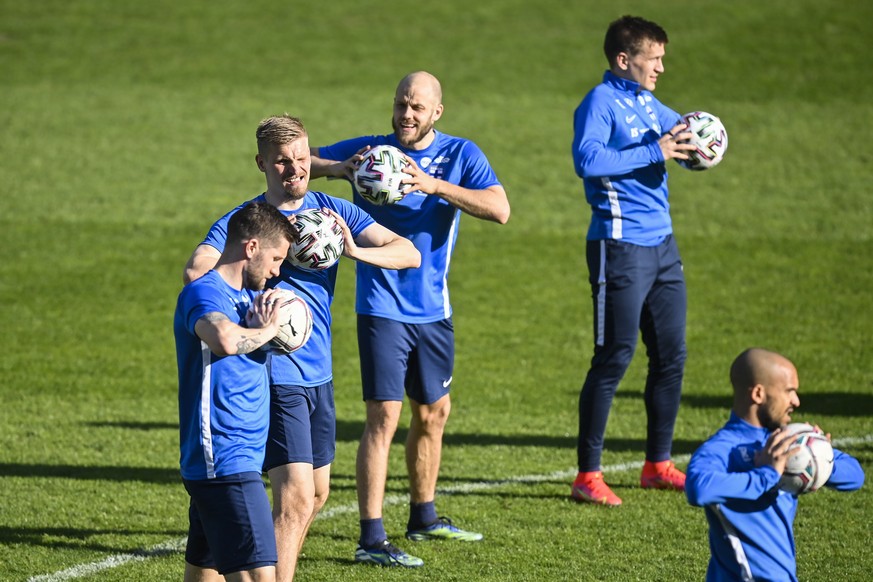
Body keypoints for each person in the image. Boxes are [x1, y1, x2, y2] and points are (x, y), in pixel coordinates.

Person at [183, 115, 420, 582]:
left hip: (320, 374)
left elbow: (407, 252)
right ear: (262, 165)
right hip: (275, 372)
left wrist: (353, 251)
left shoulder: (333, 213)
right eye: (281, 163)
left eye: (300, 159)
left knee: (315, 494)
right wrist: (255, 299)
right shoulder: (251, 221)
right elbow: (198, 268)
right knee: (292, 499)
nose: (294, 171)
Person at [309, 70, 510, 568]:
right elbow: (299, 163)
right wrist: (340, 168)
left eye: (417, 107)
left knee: (434, 413)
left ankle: (423, 516)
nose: (406, 115)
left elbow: (500, 209)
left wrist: (435, 185)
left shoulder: (461, 154)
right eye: (401, 104)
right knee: (384, 417)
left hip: (434, 309)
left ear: (436, 112)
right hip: (381, 306)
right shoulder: (371, 149)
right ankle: (370, 538)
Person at [570, 15, 697, 506]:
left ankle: (657, 464)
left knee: (671, 355)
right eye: (654, 58)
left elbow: (677, 133)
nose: (662, 67)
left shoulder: (646, 101)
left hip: (663, 248)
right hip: (619, 247)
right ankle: (588, 475)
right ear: (625, 60)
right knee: (614, 357)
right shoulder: (600, 103)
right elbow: (588, 160)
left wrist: (695, 140)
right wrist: (656, 150)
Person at [175, 201, 297, 581]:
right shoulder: (204, 293)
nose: (278, 271)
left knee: (204, 571)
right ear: (251, 248)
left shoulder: (250, 299)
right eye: (276, 258)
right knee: (261, 577)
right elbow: (224, 339)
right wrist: (268, 331)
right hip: (224, 459)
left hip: (235, 459)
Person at [686, 348, 865, 581]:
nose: (796, 401)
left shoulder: (788, 440)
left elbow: (855, 476)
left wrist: (821, 459)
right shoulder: (722, 449)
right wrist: (767, 474)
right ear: (759, 394)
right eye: (789, 391)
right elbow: (699, 489)